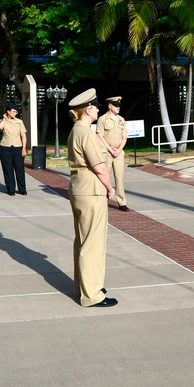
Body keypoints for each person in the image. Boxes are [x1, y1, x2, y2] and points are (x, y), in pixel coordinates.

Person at [66, 89, 117, 308]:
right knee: (93, 244)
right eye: (95, 106)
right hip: (92, 190)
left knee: (82, 241)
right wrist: (110, 188)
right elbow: (100, 167)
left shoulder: (76, 130)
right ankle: (92, 294)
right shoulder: (86, 133)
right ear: (88, 109)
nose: (98, 109)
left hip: (80, 188)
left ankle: (83, 286)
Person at [97, 95, 129, 211]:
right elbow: (100, 135)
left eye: (119, 106)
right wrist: (110, 150)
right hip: (107, 152)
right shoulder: (102, 119)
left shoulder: (121, 120)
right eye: (116, 106)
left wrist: (119, 150)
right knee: (106, 176)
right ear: (110, 106)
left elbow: (124, 137)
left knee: (119, 177)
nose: (118, 108)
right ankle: (104, 199)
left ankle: (121, 202)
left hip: (118, 152)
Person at [0, 101, 28, 195]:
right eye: (14, 111)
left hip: (17, 148)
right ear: (8, 111)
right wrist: (4, 118)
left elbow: (24, 136)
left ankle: (22, 189)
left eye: (16, 112)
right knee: (8, 170)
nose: (15, 113)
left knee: (20, 169)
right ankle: (11, 190)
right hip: (5, 148)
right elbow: (0, 127)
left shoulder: (19, 122)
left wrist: (24, 148)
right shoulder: (2, 121)